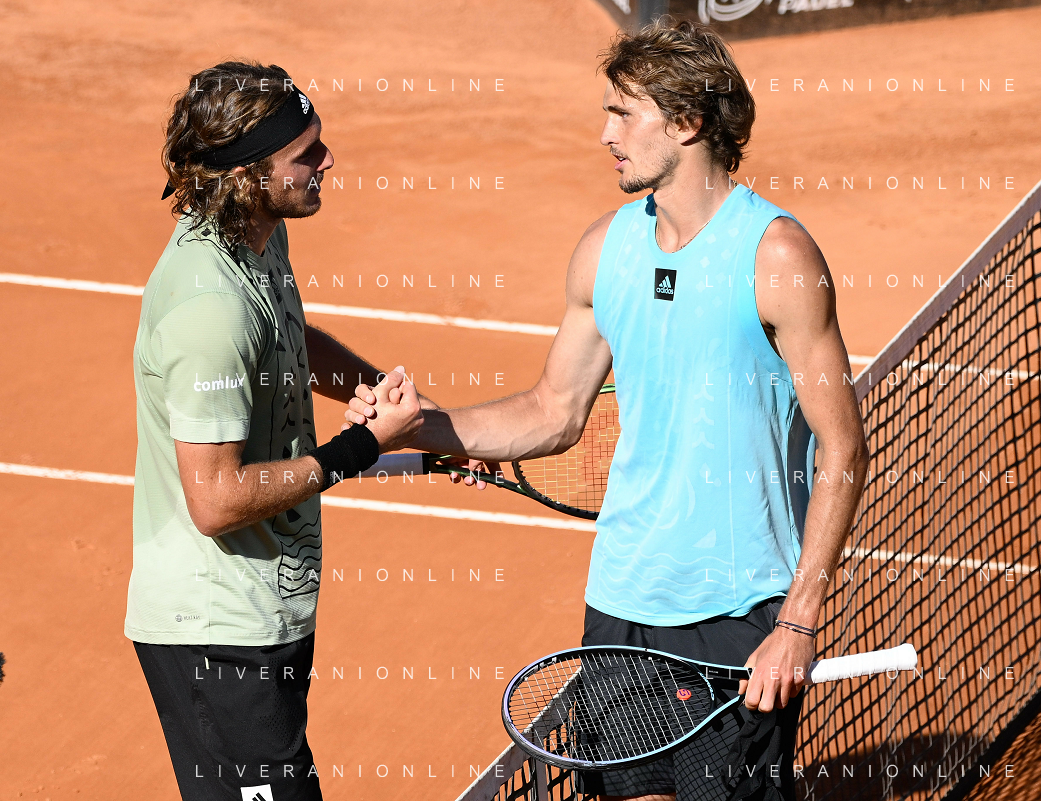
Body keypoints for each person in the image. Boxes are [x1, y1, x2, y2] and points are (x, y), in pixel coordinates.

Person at [345, 19, 869, 801]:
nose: (605, 135)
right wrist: (423, 423)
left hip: (736, 610)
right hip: (621, 602)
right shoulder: (605, 250)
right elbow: (552, 410)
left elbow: (842, 449)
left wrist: (796, 621)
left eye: (623, 114)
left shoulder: (776, 256)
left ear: (686, 121)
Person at [129, 60, 479, 801]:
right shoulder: (209, 310)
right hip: (217, 633)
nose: (328, 160)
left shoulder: (257, 235)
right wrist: (364, 446)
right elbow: (216, 499)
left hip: (266, 609)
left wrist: (400, 417)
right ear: (248, 175)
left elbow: (291, 338)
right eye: (306, 153)